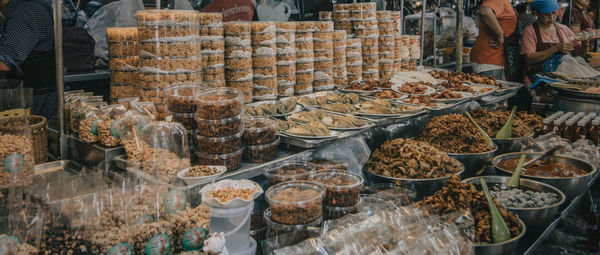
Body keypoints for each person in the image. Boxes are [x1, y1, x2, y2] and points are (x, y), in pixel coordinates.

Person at [0, 0, 56, 119]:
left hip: (33, 99)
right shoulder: (35, 6)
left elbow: (4, 64)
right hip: (41, 94)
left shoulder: (23, 12)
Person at [520, 0, 586, 85]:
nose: (551, 17)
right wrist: (555, 48)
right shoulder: (529, 31)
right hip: (537, 79)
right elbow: (529, 58)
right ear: (537, 14)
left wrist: (585, 44)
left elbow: (580, 53)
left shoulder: (563, 29)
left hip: (562, 77)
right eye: (546, 14)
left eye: (554, 13)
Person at [470, 0, 518, 80]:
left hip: (489, 59)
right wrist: (499, 34)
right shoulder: (500, 1)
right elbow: (484, 11)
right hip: (491, 59)